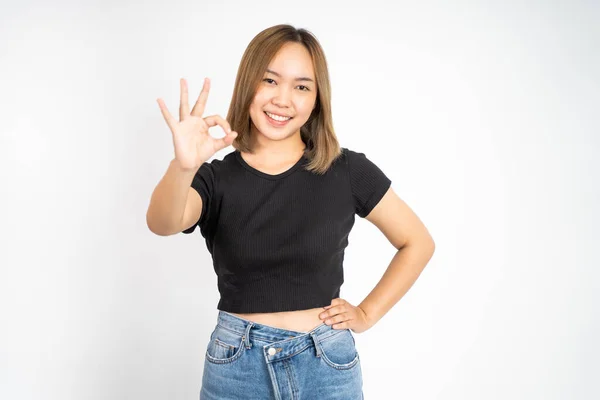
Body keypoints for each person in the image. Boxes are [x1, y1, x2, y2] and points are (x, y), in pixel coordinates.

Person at [147, 24, 435, 400]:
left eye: (301, 86)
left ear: (317, 99)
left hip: (326, 366)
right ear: (248, 83)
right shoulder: (215, 179)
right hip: (237, 368)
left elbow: (417, 242)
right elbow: (163, 223)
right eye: (270, 80)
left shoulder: (347, 170)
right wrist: (183, 166)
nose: (283, 99)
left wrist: (366, 313)